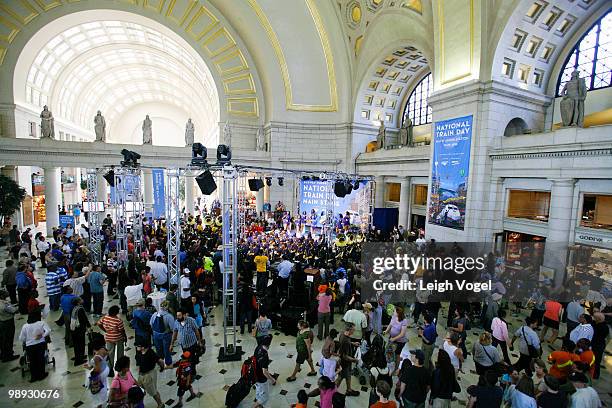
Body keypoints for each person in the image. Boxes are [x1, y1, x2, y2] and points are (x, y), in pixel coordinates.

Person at [18, 309, 51, 382]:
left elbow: (21, 338)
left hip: (30, 346)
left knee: (32, 361)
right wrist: (42, 335)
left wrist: (27, 340)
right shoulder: (41, 323)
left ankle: (33, 377)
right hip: (40, 344)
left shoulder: (25, 326)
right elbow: (48, 330)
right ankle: (41, 375)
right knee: (40, 359)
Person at [97, 305, 127, 377]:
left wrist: (105, 330)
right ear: (116, 312)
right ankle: (120, 368)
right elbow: (121, 330)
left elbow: (99, 323)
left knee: (110, 354)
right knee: (120, 353)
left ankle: (110, 369)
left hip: (109, 338)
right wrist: (125, 337)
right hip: (118, 338)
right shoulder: (118, 320)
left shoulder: (105, 317)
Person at [134, 338, 165, 408]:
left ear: (143, 347)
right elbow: (139, 363)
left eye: (138, 346)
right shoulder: (139, 352)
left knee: (153, 392)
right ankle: (140, 405)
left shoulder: (151, 353)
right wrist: (139, 373)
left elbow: (160, 361)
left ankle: (160, 404)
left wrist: (162, 368)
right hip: (141, 374)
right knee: (140, 390)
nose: (136, 347)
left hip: (149, 375)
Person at [253, 334, 276, 408]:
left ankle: (259, 405)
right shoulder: (264, 355)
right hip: (261, 378)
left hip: (255, 374)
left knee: (259, 391)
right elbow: (264, 372)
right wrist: (272, 379)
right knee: (265, 397)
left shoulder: (258, 347)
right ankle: (254, 406)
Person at [150, 301, 175, 368]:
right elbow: (173, 328)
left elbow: (151, 324)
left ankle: (160, 362)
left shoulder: (155, 314)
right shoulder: (169, 316)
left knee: (158, 349)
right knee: (166, 349)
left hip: (155, 334)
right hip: (165, 335)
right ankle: (168, 363)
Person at [337, 322, 360, 397]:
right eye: (353, 329)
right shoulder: (346, 341)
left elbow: (346, 343)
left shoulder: (343, 334)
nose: (354, 331)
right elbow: (345, 356)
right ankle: (331, 393)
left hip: (346, 362)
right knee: (340, 377)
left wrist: (353, 343)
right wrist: (354, 360)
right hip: (345, 363)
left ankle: (349, 390)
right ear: (349, 330)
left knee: (348, 375)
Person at [84, 343, 110, 407]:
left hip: (101, 373)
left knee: (98, 387)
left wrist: (92, 372)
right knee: (104, 384)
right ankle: (104, 400)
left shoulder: (96, 357)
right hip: (106, 369)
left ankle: (99, 403)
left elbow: (98, 369)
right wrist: (89, 367)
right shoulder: (104, 350)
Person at [384, 305, 408, 370]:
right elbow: (390, 324)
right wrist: (386, 331)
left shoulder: (404, 321)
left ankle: (396, 368)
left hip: (400, 341)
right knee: (389, 351)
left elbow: (402, 334)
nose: (393, 312)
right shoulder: (394, 317)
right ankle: (389, 363)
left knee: (397, 354)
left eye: (394, 311)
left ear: (398, 313)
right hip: (392, 338)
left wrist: (394, 339)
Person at [70, 296, 90, 365]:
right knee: (81, 343)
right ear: (78, 302)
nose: (82, 299)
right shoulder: (80, 309)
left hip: (73, 328)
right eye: (81, 299)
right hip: (79, 329)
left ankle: (79, 356)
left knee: (76, 344)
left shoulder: (74, 308)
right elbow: (84, 319)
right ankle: (79, 360)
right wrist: (89, 326)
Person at [0, 288, 19, 361]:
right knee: (9, 338)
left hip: (2, 322)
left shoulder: (3, 303)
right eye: (5, 293)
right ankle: (8, 355)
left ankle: (3, 353)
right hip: (8, 322)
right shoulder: (3, 305)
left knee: (3, 339)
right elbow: (13, 310)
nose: (6, 294)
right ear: (1, 296)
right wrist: (17, 307)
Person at [591, 312, 608, 379]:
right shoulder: (595, 323)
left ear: (599, 319)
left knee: (597, 361)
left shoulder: (604, 328)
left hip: (598, 346)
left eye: (595, 318)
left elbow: (597, 336)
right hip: (595, 344)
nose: (593, 319)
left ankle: (596, 375)